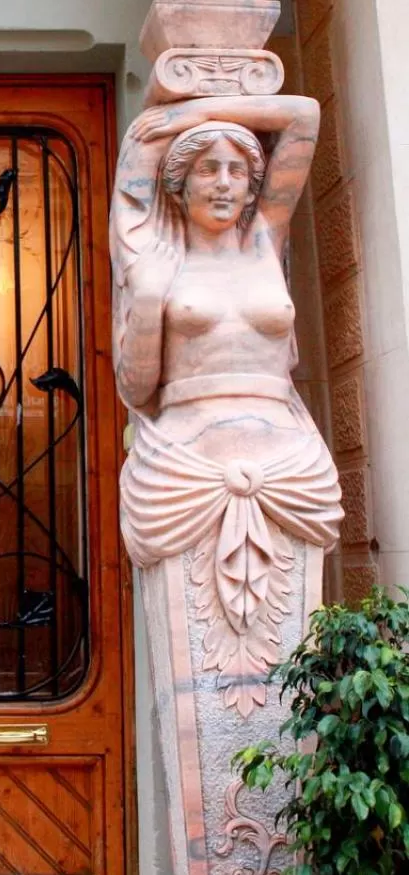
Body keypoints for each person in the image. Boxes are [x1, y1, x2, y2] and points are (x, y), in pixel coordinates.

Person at [111, 95, 341, 713]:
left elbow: (302, 118)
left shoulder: (265, 237)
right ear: (179, 185)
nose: (224, 183)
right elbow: (136, 389)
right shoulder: (157, 257)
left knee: (283, 662)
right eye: (207, 169)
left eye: (237, 170)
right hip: (187, 468)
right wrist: (149, 302)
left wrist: (202, 108)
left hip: (290, 466)